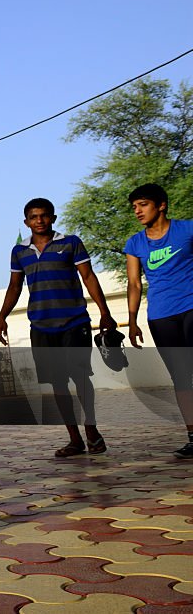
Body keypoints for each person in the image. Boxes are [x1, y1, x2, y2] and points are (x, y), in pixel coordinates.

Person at [0, 198, 116, 457]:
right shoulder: (19, 251)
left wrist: (105, 312)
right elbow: (15, 286)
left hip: (75, 321)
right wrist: (2, 317)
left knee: (81, 379)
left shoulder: (71, 243)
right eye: (34, 217)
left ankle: (92, 430)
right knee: (58, 384)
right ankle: (75, 439)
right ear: (26, 221)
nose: (39, 220)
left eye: (44, 216)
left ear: (53, 218)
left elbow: (89, 277)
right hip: (40, 325)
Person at [124, 183, 193, 459]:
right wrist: (131, 320)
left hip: (191, 307)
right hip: (161, 316)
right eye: (134, 207)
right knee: (181, 378)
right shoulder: (135, 243)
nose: (138, 211)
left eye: (143, 204)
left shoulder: (187, 229)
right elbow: (133, 284)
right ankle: (192, 436)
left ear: (161, 205)